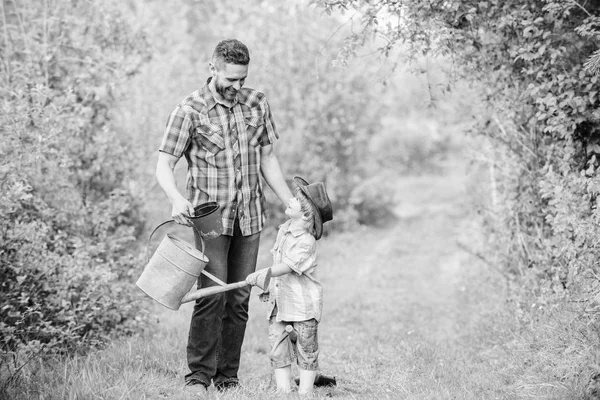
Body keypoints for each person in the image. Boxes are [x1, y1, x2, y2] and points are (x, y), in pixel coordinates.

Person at [155, 39, 294, 396]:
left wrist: (290, 201)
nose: (236, 88)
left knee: (240, 297)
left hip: (250, 216)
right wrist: (175, 198)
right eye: (230, 80)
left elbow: (267, 158)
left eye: (242, 80)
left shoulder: (256, 102)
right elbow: (164, 165)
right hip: (211, 219)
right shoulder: (189, 110)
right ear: (212, 68)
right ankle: (199, 376)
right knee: (213, 294)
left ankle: (228, 376)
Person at [246, 176, 333, 396]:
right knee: (278, 347)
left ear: (305, 215)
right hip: (280, 302)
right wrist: (268, 286)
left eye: (295, 200)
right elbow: (278, 262)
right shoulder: (283, 231)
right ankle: (283, 390)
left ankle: (305, 391)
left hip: (302, 306)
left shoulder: (306, 241)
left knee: (306, 349)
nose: (290, 200)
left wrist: (263, 273)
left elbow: (286, 266)